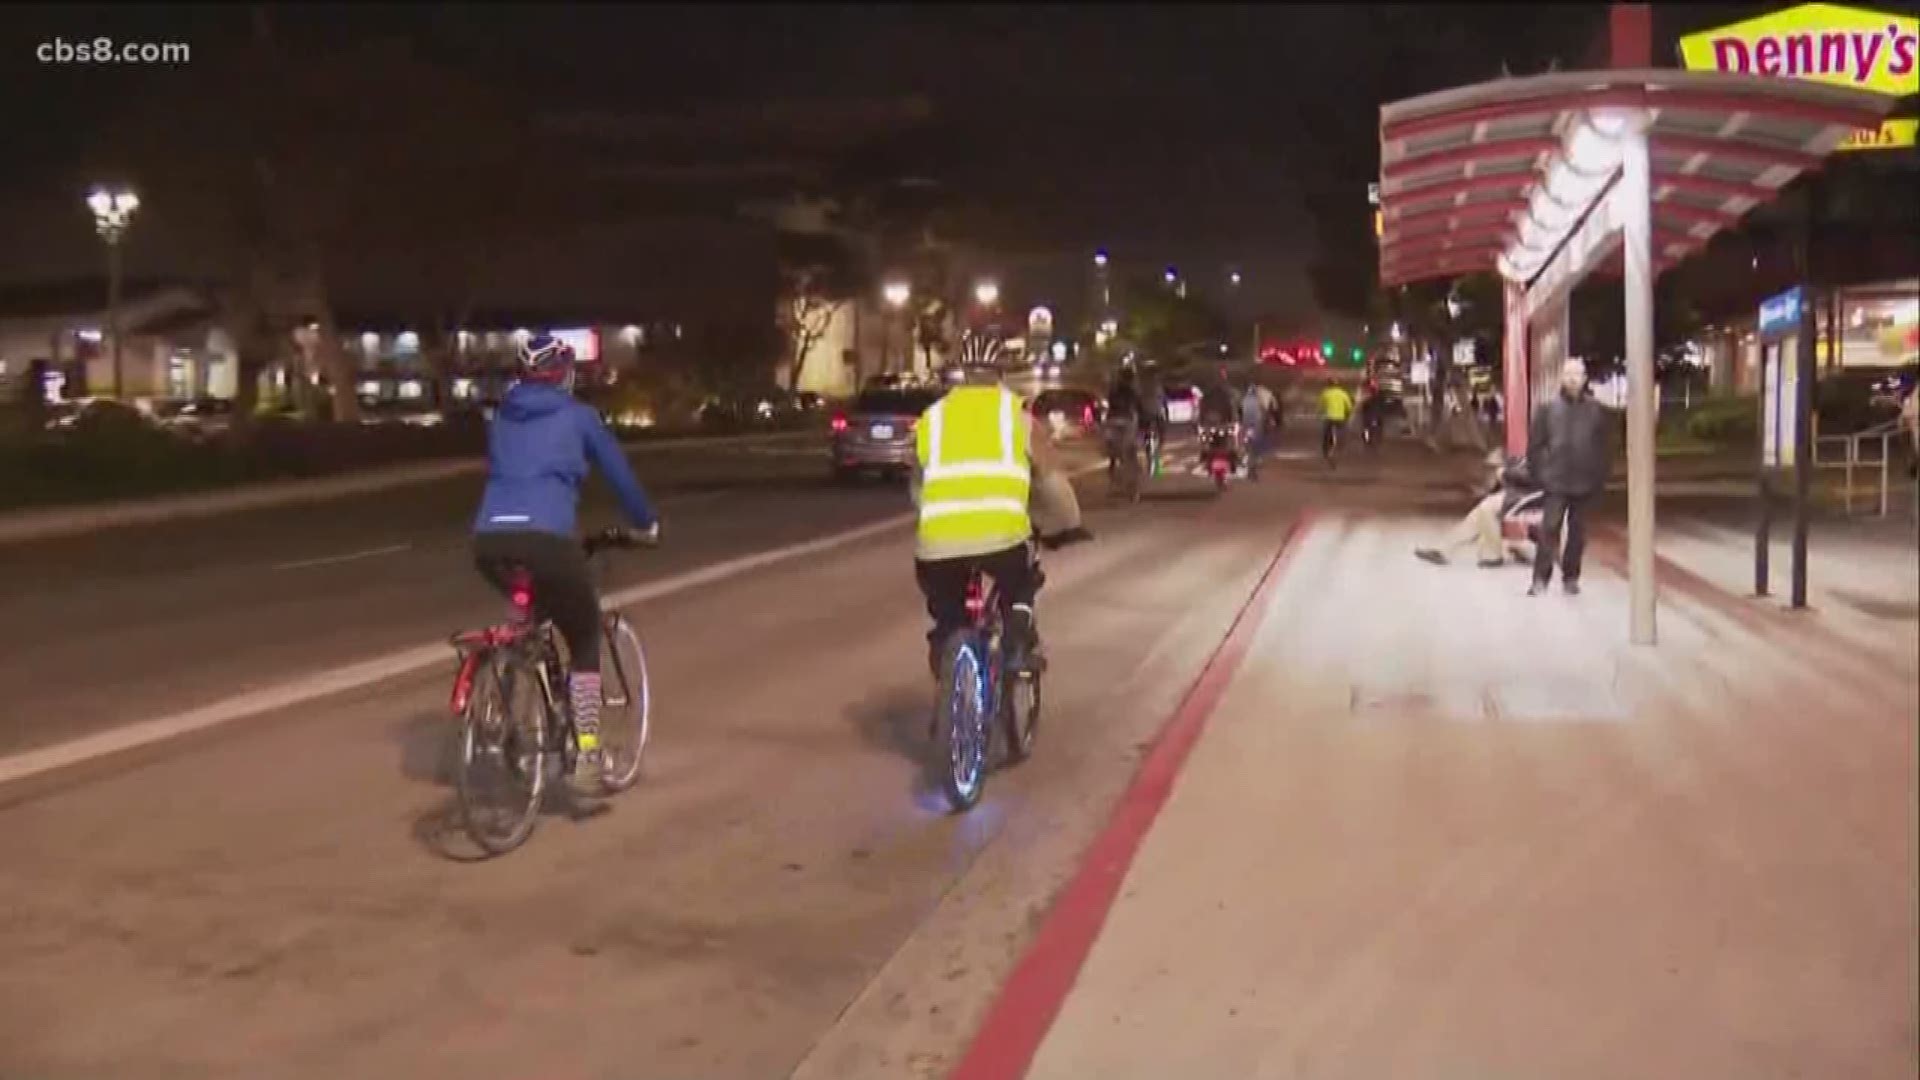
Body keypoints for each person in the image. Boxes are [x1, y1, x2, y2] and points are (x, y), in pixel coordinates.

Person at [472, 333, 661, 778]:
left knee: (528, 611)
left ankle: (505, 701)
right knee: (584, 633)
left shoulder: (502, 418)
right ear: (562, 375)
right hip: (548, 542)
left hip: (488, 542)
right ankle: (590, 749)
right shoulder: (579, 417)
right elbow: (619, 474)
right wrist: (646, 521)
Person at [910, 331, 1084, 679]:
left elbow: (918, 487)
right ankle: (1018, 630)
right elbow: (1052, 484)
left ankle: (945, 644)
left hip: (937, 547)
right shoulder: (1018, 417)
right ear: (1002, 371)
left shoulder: (933, 418)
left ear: (963, 371)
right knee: (1021, 578)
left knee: (948, 612)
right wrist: (1069, 524)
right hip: (1002, 539)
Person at [1527, 358, 1611, 597]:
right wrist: (1540, 475)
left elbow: (1604, 448)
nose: (1573, 379)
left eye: (1577, 374)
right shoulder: (1547, 409)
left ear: (1584, 378)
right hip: (1555, 481)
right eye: (1568, 374)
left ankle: (1571, 577)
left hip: (1585, 482)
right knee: (1549, 529)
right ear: (1562, 378)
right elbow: (1535, 447)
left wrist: (1600, 477)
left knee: (1578, 533)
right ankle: (1540, 579)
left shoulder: (1596, 410)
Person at [1416, 449, 1539, 569]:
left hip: (1540, 496)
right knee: (1482, 510)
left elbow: (1540, 476)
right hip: (1529, 493)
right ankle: (1443, 549)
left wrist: (1506, 472)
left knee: (1487, 507)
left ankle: (1491, 555)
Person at [1319, 380, 1355, 463]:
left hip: (1329, 418)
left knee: (1326, 434)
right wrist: (1348, 413)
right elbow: (1349, 406)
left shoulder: (1326, 393)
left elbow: (1321, 406)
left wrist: (1321, 412)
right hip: (1340, 418)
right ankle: (1341, 446)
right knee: (1342, 432)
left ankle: (1326, 449)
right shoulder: (1343, 393)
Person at [1238, 382, 1268, 479]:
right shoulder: (1258, 401)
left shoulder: (1244, 400)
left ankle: (1245, 461)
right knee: (1254, 450)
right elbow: (1263, 413)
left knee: (1246, 446)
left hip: (1245, 426)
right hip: (1255, 426)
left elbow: (1240, 412)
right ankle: (1252, 470)